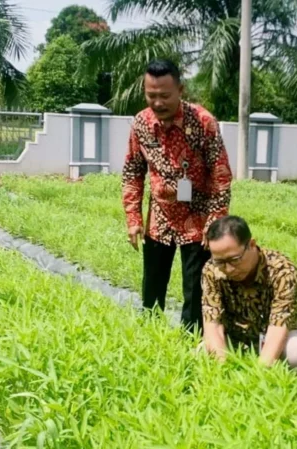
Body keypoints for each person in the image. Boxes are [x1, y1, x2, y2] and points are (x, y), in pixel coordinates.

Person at [122, 59, 232, 334]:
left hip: (199, 220)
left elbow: (220, 174)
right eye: (151, 95)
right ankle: (149, 334)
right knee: (152, 287)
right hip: (160, 218)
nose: (158, 102)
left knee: (195, 289)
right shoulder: (141, 124)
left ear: (181, 89)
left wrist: (215, 221)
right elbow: (133, 170)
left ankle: (191, 341)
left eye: (165, 96)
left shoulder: (203, 122)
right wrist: (133, 217)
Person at [200, 216, 297, 376]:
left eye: (234, 260)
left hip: (276, 333)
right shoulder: (212, 270)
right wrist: (223, 368)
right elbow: (212, 324)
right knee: (202, 355)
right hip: (234, 334)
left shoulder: (282, 270)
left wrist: (257, 379)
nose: (228, 269)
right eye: (220, 261)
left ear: (251, 245)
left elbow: (278, 328)